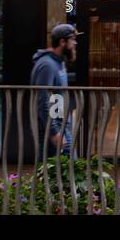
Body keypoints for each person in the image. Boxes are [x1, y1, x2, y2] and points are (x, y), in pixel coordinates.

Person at [31, 23, 79, 158]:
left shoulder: (59, 62)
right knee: (54, 172)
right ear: (62, 42)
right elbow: (42, 100)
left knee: (66, 171)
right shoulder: (47, 65)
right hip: (52, 129)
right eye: (72, 39)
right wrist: (54, 132)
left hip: (62, 125)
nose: (75, 43)